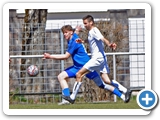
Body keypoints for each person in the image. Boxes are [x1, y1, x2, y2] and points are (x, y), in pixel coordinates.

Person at [62, 15, 132, 104]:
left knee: (79, 74)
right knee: (106, 80)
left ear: (91, 22)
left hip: (97, 58)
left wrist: (109, 44)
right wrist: (83, 41)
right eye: (84, 23)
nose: (84, 25)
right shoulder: (91, 32)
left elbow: (102, 38)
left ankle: (72, 97)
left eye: (86, 23)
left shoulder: (94, 30)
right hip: (102, 58)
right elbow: (91, 41)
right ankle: (125, 91)